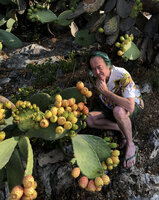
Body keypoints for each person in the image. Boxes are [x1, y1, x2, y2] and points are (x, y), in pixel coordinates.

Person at [85, 51, 144, 168]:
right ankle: (120, 128)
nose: (97, 72)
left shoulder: (122, 75)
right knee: (88, 119)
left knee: (118, 111)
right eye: (93, 69)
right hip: (111, 108)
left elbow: (130, 106)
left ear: (108, 65)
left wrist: (106, 92)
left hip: (133, 106)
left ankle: (131, 144)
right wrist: (87, 107)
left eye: (99, 67)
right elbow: (94, 91)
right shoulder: (94, 76)